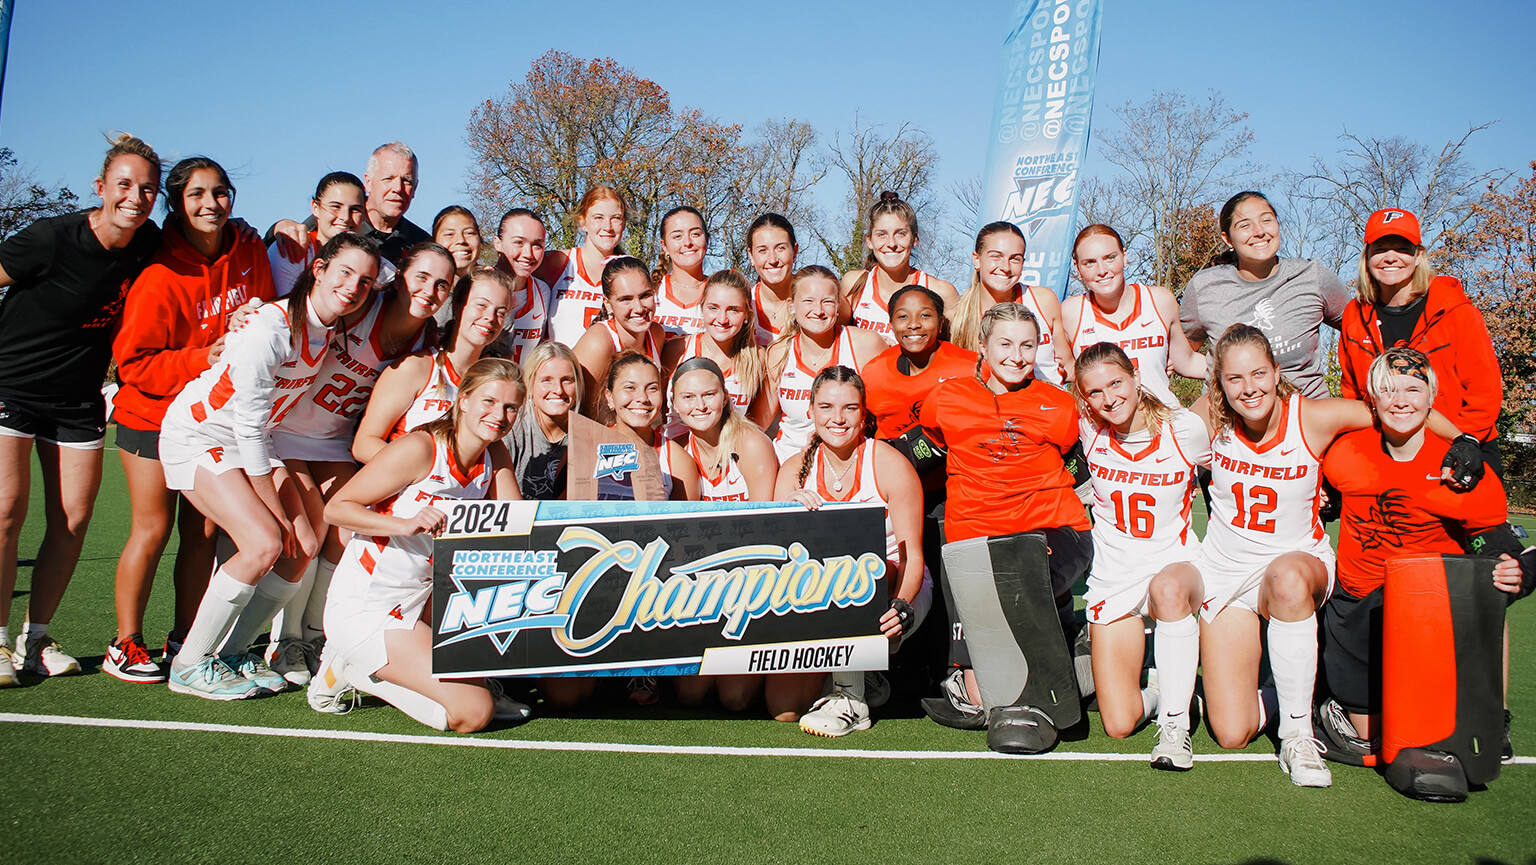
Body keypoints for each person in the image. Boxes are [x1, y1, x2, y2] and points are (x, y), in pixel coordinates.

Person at [1193, 323, 1478, 787]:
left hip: (1297, 566)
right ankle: (1301, 686)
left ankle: (1299, 735)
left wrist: (1464, 439)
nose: (1249, 388)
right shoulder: (1209, 417)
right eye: (1235, 379)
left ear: (1276, 371)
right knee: (1231, 731)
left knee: (1285, 577)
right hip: (1228, 574)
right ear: (1219, 385)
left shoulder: (1313, 417)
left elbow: (1394, 408)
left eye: (1259, 374)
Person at [156, 232, 377, 700]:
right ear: (318, 270)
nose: (354, 286)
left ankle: (236, 653)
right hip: (202, 436)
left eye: (365, 280)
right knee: (264, 542)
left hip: (251, 441)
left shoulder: (326, 327)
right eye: (344, 272)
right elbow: (248, 428)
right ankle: (190, 663)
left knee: (304, 545)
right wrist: (273, 508)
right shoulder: (267, 330)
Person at [104, 156, 277, 684]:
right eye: (197, 194)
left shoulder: (247, 248)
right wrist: (205, 355)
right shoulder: (159, 272)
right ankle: (125, 643)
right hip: (153, 416)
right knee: (152, 528)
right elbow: (133, 363)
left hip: (211, 421)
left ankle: (184, 635)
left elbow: (267, 315)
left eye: (221, 192)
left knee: (203, 531)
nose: (211, 204)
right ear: (176, 204)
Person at [0, 134, 165, 684]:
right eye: (124, 185)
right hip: (10, 386)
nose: (135, 197)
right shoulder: (50, 238)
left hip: (77, 398)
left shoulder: (150, 245)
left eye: (147, 189)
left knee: (72, 520)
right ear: (101, 188)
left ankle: (37, 638)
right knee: (6, 511)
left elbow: (206, 243)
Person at [1319, 347, 1529, 764]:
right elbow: (1328, 498)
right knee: (1370, 738)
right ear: (1371, 399)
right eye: (1388, 389)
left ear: (1432, 397)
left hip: (1426, 612)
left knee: (1424, 732)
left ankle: (1487, 708)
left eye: (1413, 389)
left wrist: (1516, 570)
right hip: (1358, 601)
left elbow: (1497, 544)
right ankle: (1333, 698)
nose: (1401, 400)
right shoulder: (1344, 452)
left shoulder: (1461, 470)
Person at [263, 241, 455, 685]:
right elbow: (303, 306)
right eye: (421, 277)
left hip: (333, 440)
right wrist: (253, 314)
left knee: (350, 530)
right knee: (307, 529)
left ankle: (316, 635)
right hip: (285, 426)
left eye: (442, 283)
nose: (430, 289)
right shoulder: (360, 304)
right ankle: (284, 639)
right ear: (401, 274)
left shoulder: (426, 342)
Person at [307, 358, 528, 732]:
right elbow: (337, 509)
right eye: (488, 402)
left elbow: (517, 525)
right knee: (473, 713)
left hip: (423, 603)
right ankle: (358, 670)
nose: (499, 414)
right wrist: (404, 524)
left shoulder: (495, 454)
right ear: (464, 400)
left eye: (510, 407)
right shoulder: (420, 448)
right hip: (369, 608)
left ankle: (457, 679)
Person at [919, 303, 1092, 734]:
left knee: (1022, 584)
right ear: (982, 345)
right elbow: (921, 452)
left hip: (1050, 526)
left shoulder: (1057, 404)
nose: (1017, 355)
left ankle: (1063, 676)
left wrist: (1034, 490)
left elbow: (1078, 463)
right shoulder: (946, 399)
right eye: (1006, 344)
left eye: (1028, 345)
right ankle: (1076, 647)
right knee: (982, 697)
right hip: (974, 535)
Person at [1073, 341, 1211, 769]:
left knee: (1168, 590)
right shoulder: (1088, 431)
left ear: (1135, 375)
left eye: (1116, 383)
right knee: (1119, 721)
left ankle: (1175, 729)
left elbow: (1227, 478)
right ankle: (1165, 688)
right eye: (1095, 392)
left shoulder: (1183, 428)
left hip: (1175, 567)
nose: (1108, 399)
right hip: (1115, 574)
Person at [775, 365, 929, 734]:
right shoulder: (794, 470)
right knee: (782, 708)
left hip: (895, 589)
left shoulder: (890, 464)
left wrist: (903, 606)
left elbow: (912, 557)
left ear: (864, 413)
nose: (838, 419)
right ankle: (866, 675)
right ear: (810, 410)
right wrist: (788, 515)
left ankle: (850, 700)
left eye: (850, 408)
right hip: (820, 595)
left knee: (858, 577)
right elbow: (777, 560)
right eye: (826, 407)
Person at [1337, 207, 1504, 475]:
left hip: (1459, 446)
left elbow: (1484, 391)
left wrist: (1465, 441)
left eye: (1402, 248)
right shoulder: (1354, 316)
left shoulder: (1455, 310)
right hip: (1389, 452)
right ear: (1366, 257)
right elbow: (1353, 393)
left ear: (1418, 256)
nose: (1390, 257)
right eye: (1380, 249)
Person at [668, 356, 778, 713]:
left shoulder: (750, 443)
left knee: (735, 699)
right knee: (689, 695)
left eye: (708, 395)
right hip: (700, 583)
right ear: (674, 403)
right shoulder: (674, 448)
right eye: (688, 397)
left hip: (750, 579)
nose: (699, 406)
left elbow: (767, 530)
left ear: (725, 396)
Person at [1180, 191, 1351, 399]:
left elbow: (1361, 328)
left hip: (1308, 417)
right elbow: (1183, 351)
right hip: (1231, 419)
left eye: (1266, 220)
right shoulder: (1204, 286)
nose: (1259, 231)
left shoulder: (1312, 276)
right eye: (1244, 225)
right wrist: (1219, 372)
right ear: (1227, 238)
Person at [353, 269, 516, 464]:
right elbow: (364, 445)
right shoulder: (416, 367)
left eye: (500, 312)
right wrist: (424, 474)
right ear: (457, 306)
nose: (490, 318)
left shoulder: (493, 383)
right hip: (406, 490)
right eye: (481, 305)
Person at [1063, 224, 1207, 406]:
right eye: (1089, 262)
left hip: (1161, 424)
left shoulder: (1160, 300)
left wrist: (1241, 368)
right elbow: (1060, 370)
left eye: (1110, 258)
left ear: (1124, 256)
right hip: (1102, 430)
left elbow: (1187, 361)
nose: (1101, 270)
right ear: (1077, 268)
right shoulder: (1071, 312)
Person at [755, 266, 885, 462]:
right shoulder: (779, 352)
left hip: (849, 462)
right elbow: (759, 421)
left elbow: (890, 408)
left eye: (827, 302)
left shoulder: (865, 344)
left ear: (838, 305)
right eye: (808, 301)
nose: (818, 311)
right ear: (791, 305)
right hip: (790, 462)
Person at [859, 285, 976, 493]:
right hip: (892, 485)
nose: (914, 324)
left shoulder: (969, 367)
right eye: (903, 317)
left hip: (954, 486)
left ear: (940, 323)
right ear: (891, 325)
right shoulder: (873, 372)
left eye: (925, 315)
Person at [270, 143, 429, 270]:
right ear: (368, 182)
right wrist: (277, 229)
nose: (398, 188)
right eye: (388, 178)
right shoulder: (338, 219)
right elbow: (287, 241)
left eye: (407, 181)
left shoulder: (422, 244)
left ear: (415, 187)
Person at [949, 221, 1071, 385]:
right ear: (977, 260)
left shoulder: (1043, 300)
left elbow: (1069, 367)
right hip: (992, 408)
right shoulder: (957, 318)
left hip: (1048, 406)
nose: (1005, 267)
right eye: (996, 256)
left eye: (1015, 259)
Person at [841, 192, 960, 344]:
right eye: (882, 234)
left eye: (901, 234)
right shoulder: (854, 283)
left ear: (915, 239)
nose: (891, 243)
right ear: (869, 241)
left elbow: (957, 351)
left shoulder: (941, 291)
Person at [660, 269, 764, 435]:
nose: (722, 319)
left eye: (733, 310)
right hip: (676, 454)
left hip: (727, 456)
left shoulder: (758, 359)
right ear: (702, 308)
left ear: (747, 315)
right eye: (713, 308)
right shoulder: (677, 349)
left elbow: (755, 428)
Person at [572, 256, 666, 416]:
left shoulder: (656, 333)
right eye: (626, 299)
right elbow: (582, 412)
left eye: (645, 296)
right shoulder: (598, 342)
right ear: (608, 304)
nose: (638, 308)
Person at [538, 186, 627, 346]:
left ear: (624, 224)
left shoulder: (630, 271)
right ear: (582, 222)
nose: (608, 226)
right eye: (598, 217)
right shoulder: (557, 261)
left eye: (616, 218)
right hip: (559, 368)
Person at [267, 172, 370, 298]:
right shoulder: (292, 250)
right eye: (336, 207)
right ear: (315, 208)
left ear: (364, 214)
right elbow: (283, 310)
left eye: (355, 209)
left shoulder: (371, 262)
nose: (345, 217)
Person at [505, 341, 581, 502]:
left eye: (567, 380)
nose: (558, 390)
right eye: (546, 380)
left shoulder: (586, 435)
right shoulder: (512, 428)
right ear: (530, 384)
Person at [489, 207, 551, 364]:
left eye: (537, 245)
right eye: (518, 242)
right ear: (498, 243)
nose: (528, 253)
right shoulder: (477, 285)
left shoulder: (543, 292)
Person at [651, 206, 708, 337]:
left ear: (707, 240)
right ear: (664, 246)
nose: (687, 242)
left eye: (695, 234)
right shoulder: (649, 290)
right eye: (677, 236)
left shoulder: (722, 291)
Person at [746, 213, 799, 345]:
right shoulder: (744, 306)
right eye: (763, 250)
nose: (773, 260)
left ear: (795, 250)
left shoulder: (815, 302)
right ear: (751, 256)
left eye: (781, 248)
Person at [430, 206, 483, 328]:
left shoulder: (494, 292)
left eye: (469, 233)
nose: (461, 240)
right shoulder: (422, 291)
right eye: (449, 234)